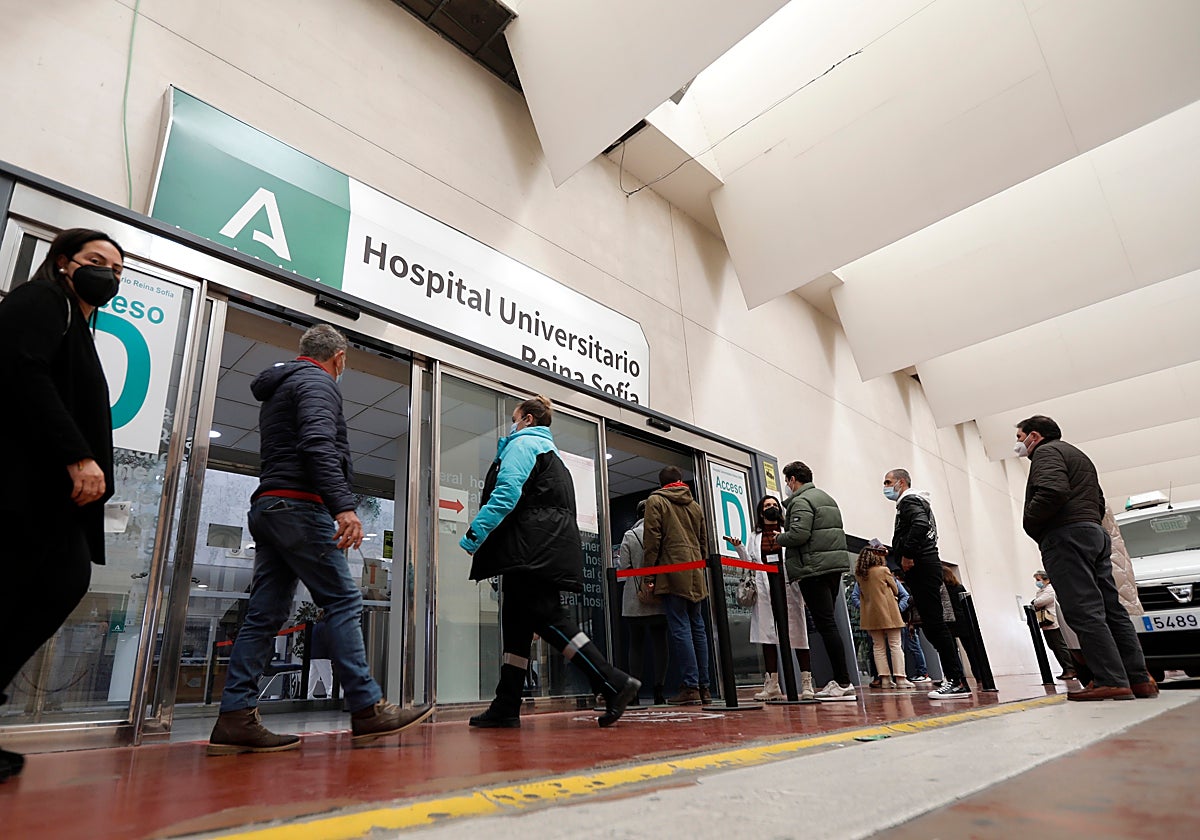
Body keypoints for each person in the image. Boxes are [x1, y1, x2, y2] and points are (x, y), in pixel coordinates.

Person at [208, 325, 430, 755]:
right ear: (340, 357)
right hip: (297, 507)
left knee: (265, 613)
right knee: (344, 600)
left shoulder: (282, 386)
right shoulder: (316, 382)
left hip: (271, 507)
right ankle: (367, 708)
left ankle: (234, 717)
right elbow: (317, 444)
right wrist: (343, 507)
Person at [0, 229, 124, 782]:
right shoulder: (41, 299)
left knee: (56, 581)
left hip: (46, 489)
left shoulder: (78, 321)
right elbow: (25, 374)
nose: (109, 274)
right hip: (25, 480)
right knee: (45, 582)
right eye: (97, 261)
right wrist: (77, 454)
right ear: (63, 262)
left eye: (117, 270)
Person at [461, 395, 639, 727]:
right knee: (516, 629)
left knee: (550, 618)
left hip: (530, 552)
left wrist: (475, 534)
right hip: (539, 548)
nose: (511, 425)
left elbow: (507, 493)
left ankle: (613, 681)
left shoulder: (523, 444)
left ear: (527, 419)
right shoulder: (551, 453)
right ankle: (506, 703)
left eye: (514, 418)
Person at [1015, 415, 1156, 701]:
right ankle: (1138, 679)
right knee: (1111, 609)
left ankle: (1110, 679)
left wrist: (1031, 523)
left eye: (1020, 438)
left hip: (1066, 536)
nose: (1019, 445)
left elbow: (1052, 491)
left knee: (1084, 609)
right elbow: (1099, 501)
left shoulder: (1046, 452)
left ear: (1034, 436)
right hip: (1093, 533)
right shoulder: (1077, 455)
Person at [883, 468, 971, 699]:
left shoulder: (909, 501)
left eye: (888, 482)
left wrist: (907, 553)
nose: (885, 487)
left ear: (901, 483)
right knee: (933, 626)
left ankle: (957, 681)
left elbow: (920, 526)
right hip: (924, 564)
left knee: (935, 625)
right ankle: (955, 679)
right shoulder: (914, 502)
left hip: (922, 564)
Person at [778, 461, 856, 702]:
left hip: (814, 569)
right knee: (828, 623)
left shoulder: (802, 501)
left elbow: (799, 535)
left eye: (787, 481)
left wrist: (779, 537)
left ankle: (843, 682)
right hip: (831, 568)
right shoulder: (825, 498)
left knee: (826, 625)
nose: (787, 486)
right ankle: (841, 679)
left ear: (792, 480)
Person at [728, 495, 815, 701]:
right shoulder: (754, 536)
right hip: (764, 588)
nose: (772, 508)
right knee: (767, 636)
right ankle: (772, 685)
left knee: (798, 634)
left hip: (788, 586)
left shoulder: (788, 533)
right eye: (768, 506)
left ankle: (807, 684)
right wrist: (739, 547)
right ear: (761, 511)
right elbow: (749, 562)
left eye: (775, 505)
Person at [643, 465, 711, 706]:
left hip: (671, 570)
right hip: (695, 571)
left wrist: (648, 576)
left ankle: (690, 686)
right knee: (698, 628)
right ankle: (704, 687)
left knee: (680, 627)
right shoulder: (695, 506)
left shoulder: (656, 501)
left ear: (662, 484)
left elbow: (652, 538)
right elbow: (704, 541)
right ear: (681, 481)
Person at [617, 500, 668, 706]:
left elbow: (623, 566)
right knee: (660, 644)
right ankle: (659, 691)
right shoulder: (663, 535)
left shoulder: (630, 535)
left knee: (635, 645)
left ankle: (635, 693)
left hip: (634, 597)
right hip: (659, 595)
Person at [854, 546, 914, 689]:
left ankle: (885, 679)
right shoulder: (883, 571)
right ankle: (900, 678)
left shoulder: (860, 575)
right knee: (895, 645)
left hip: (871, 615)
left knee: (878, 647)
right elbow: (895, 588)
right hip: (889, 612)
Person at [1030, 571, 1076, 679]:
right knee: (1053, 647)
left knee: (1060, 647)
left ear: (1047, 580)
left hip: (1053, 622)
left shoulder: (1050, 590)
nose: (1037, 583)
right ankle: (1065, 669)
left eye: (1038, 580)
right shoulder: (1041, 591)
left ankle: (1071, 669)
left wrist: (1035, 602)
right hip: (1045, 623)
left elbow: (1038, 602)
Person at [942, 564, 984, 681]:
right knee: (971, 651)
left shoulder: (942, 589)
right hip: (963, 621)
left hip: (949, 621)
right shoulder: (959, 587)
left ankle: (957, 677)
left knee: (952, 651)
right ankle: (979, 675)